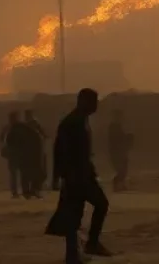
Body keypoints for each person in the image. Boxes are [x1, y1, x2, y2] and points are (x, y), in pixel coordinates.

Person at [45, 88, 111, 262]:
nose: (96, 106)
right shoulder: (71, 122)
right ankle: (87, 246)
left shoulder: (81, 121)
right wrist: (59, 176)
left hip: (81, 174)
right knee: (91, 207)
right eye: (93, 102)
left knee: (74, 214)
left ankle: (76, 252)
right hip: (76, 177)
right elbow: (60, 151)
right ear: (83, 101)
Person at [107, 109, 133, 192]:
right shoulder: (113, 127)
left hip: (120, 151)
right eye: (119, 116)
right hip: (116, 152)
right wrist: (127, 138)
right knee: (121, 169)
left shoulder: (117, 126)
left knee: (123, 169)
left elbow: (120, 139)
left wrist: (127, 138)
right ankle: (117, 185)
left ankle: (120, 185)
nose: (121, 118)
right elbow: (116, 139)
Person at [25, 109, 49, 194]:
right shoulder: (30, 128)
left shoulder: (30, 127)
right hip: (34, 154)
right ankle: (35, 189)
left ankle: (35, 189)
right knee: (37, 172)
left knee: (37, 172)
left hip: (35, 153)